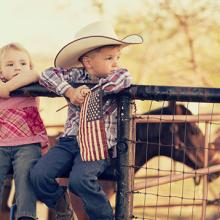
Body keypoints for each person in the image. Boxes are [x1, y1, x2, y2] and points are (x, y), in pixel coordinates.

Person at [30, 21, 143, 220]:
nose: (116, 62)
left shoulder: (118, 75)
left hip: (97, 144)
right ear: (88, 62)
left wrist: (88, 92)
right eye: (109, 58)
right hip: (70, 141)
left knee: (80, 180)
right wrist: (70, 91)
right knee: (38, 175)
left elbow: (123, 80)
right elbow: (47, 75)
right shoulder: (76, 76)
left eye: (117, 57)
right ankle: (62, 207)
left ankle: (105, 217)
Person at [0, 43, 48, 220]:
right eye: (10, 64)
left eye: (22, 63)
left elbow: (34, 73)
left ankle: (26, 216)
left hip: (27, 144)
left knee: (25, 176)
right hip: (1, 144)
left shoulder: (32, 80)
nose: (17, 67)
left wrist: (6, 89)